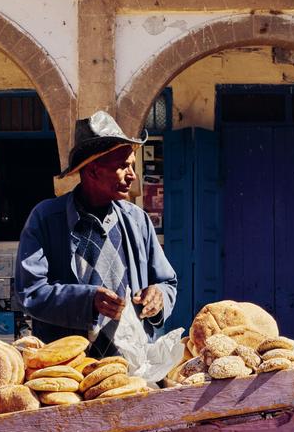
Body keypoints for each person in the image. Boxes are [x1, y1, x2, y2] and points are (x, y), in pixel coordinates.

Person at [15, 111, 177, 357]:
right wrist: (87, 300)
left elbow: (167, 282)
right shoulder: (46, 218)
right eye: (123, 166)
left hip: (130, 366)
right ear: (92, 172)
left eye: (132, 165)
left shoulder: (137, 220)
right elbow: (31, 292)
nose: (132, 175)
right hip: (68, 370)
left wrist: (159, 297)